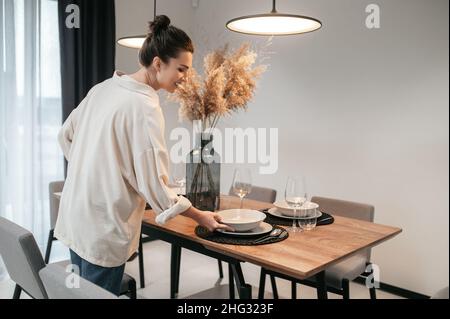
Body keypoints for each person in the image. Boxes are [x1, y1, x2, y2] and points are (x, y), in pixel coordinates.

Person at [55, 15, 232, 296]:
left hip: (76, 216)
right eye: (182, 69)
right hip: (104, 227)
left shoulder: (103, 88)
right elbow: (158, 189)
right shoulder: (144, 106)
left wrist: (92, 169)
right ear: (158, 62)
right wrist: (202, 217)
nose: (185, 77)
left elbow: (65, 135)